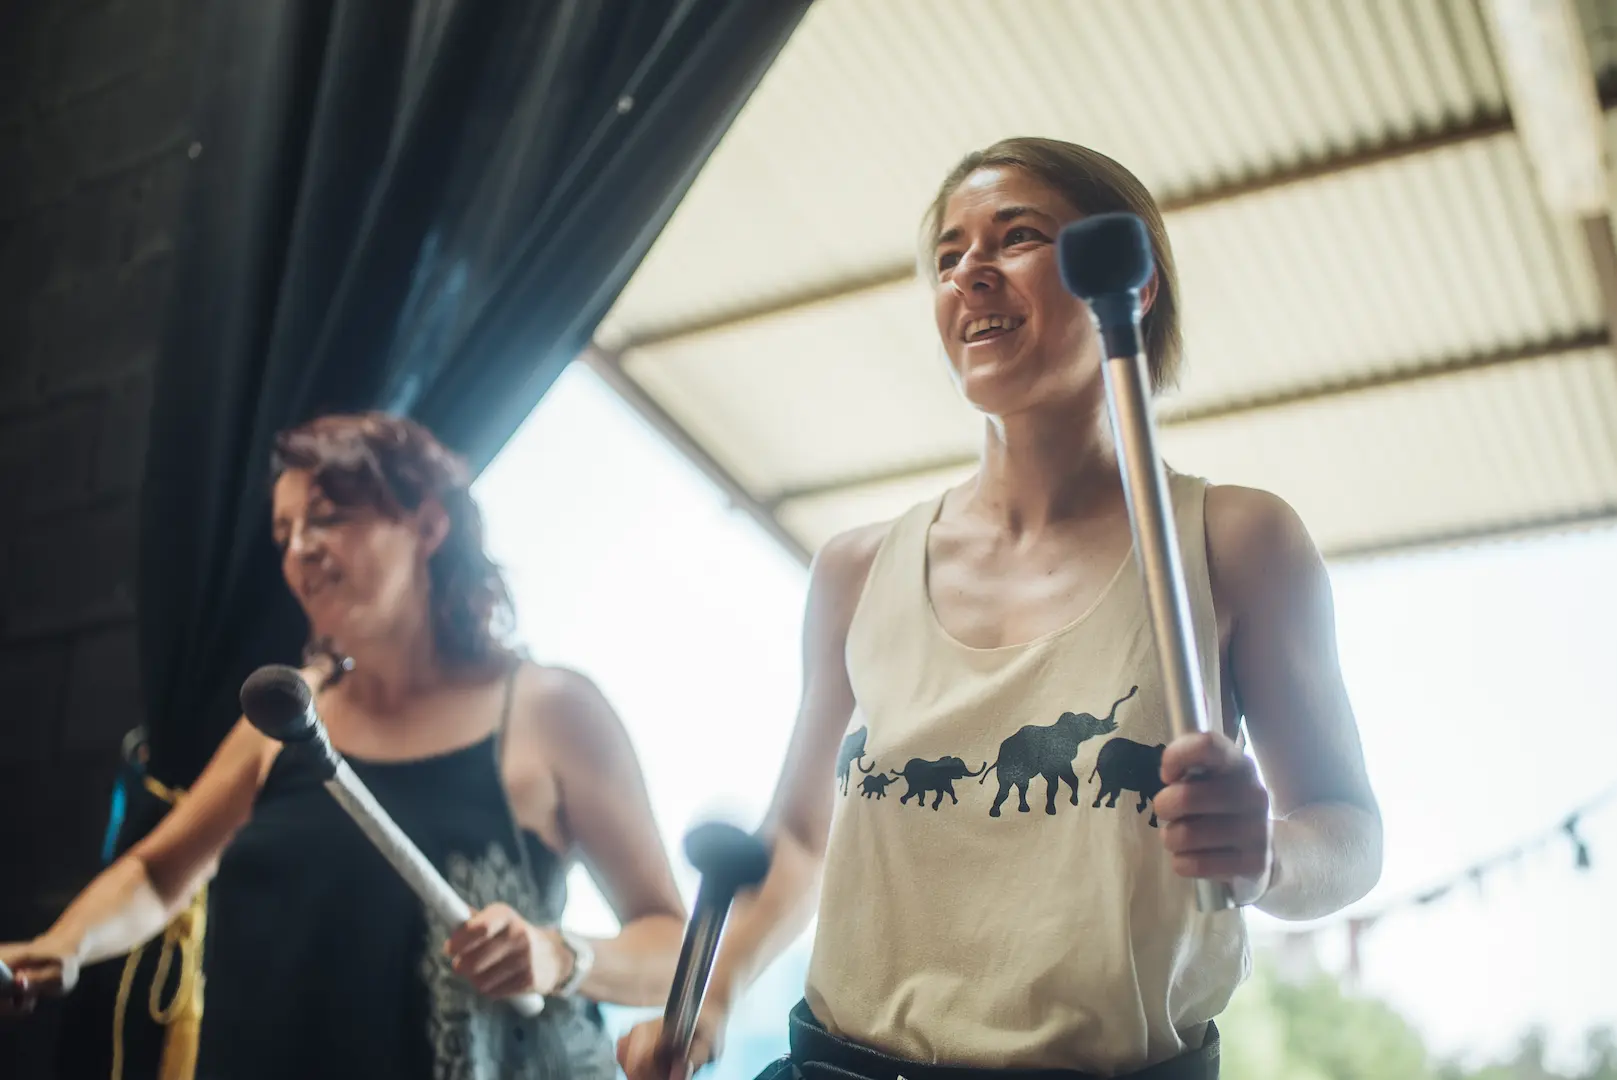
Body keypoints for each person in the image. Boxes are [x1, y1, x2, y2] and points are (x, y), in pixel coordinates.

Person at [617, 137, 1384, 1080]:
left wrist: (1266, 854)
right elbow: (802, 839)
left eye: (1014, 237)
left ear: (1131, 287)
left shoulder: (1236, 542)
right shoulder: (856, 571)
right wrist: (713, 996)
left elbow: (1348, 832)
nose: (969, 271)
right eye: (947, 255)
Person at [2, 412, 688, 1080]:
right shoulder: (281, 718)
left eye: (327, 517)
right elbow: (157, 876)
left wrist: (561, 956)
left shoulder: (549, 709)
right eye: (284, 533)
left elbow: (670, 944)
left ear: (427, 524)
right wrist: (65, 943)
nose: (299, 549)